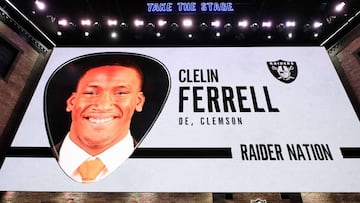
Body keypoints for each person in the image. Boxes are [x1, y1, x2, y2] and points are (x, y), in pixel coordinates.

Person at [57, 63, 145, 183]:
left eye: (120, 93)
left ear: (138, 102)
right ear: (72, 102)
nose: (103, 106)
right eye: (91, 93)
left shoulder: (161, 173)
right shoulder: (27, 163)